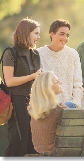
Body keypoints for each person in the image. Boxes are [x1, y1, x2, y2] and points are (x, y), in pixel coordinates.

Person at [2, 17, 42, 156]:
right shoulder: (10, 53)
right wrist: (33, 76)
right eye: (36, 33)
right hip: (17, 101)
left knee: (32, 143)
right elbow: (9, 82)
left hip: (34, 103)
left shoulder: (35, 54)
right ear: (26, 33)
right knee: (19, 141)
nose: (39, 37)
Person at [37, 19, 84, 108]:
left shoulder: (73, 54)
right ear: (52, 34)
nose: (65, 38)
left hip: (69, 105)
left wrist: (75, 103)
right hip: (46, 106)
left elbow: (78, 83)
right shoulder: (38, 54)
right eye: (62, 34)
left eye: (67, 35)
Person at [27, 71, 68, 156]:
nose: (61, 82)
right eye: (56, 82)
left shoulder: (34, 109)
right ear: (48, 88)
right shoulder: (59, 109)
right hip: (59, 153)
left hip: (40, 151)